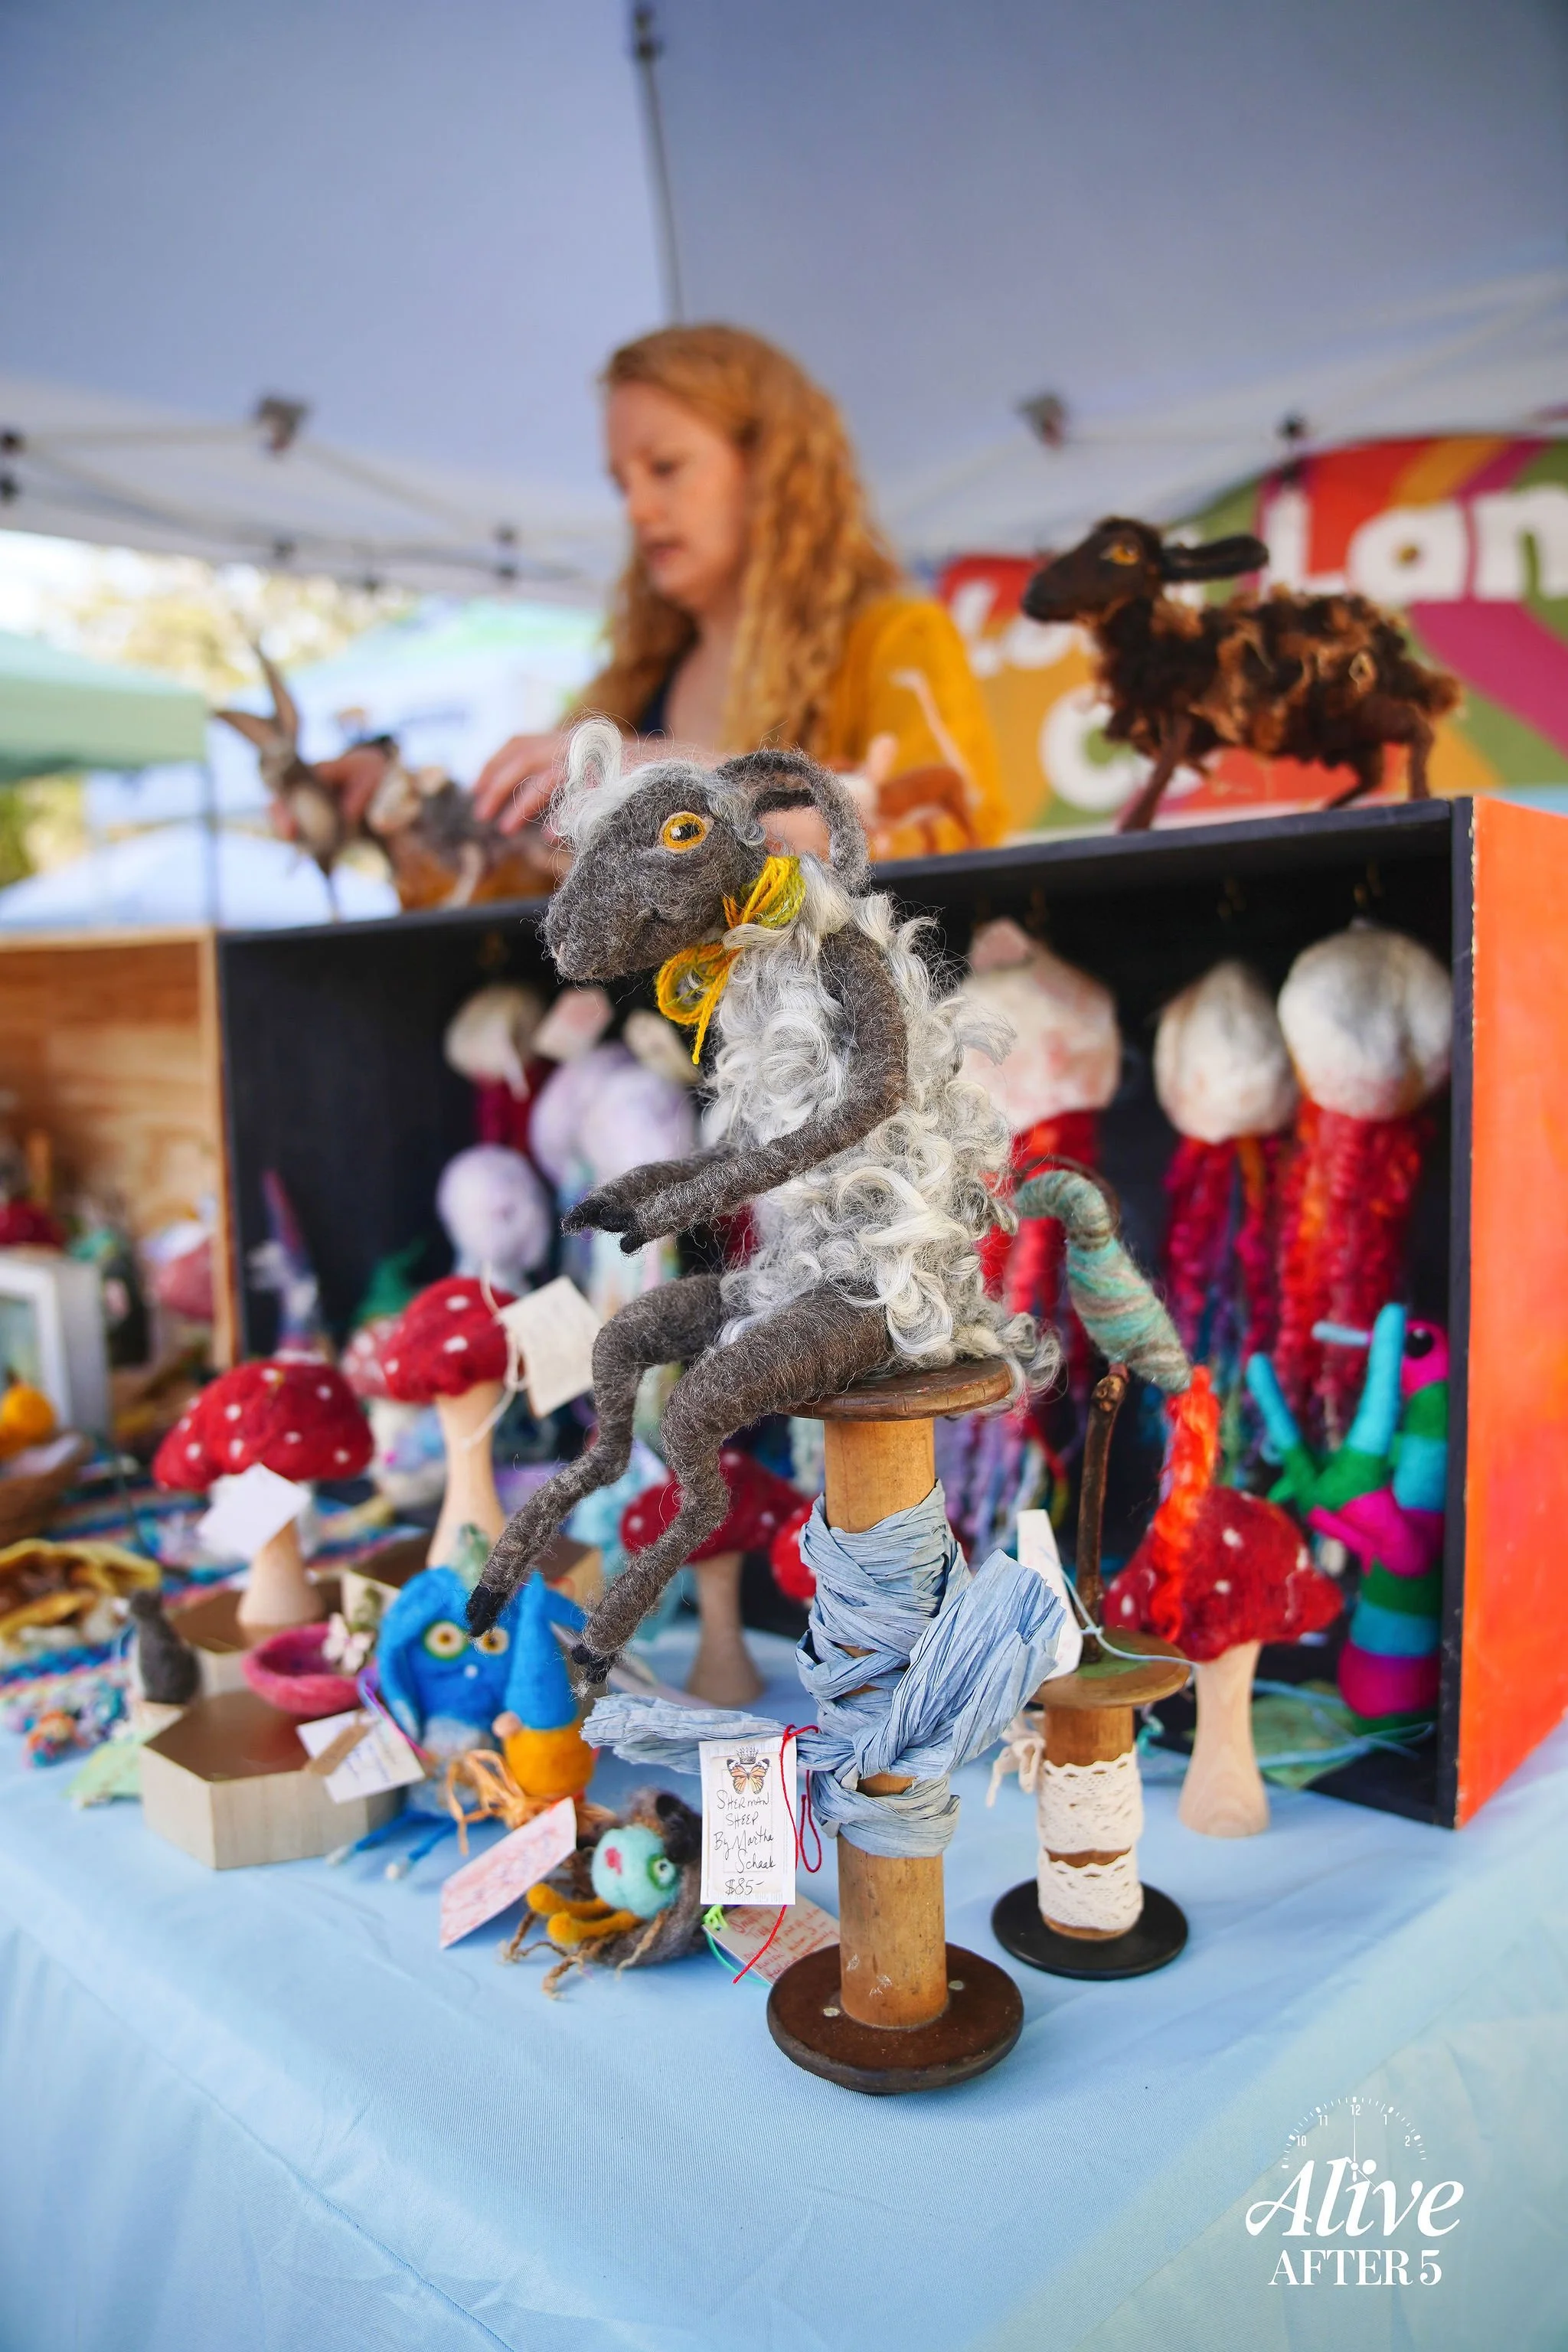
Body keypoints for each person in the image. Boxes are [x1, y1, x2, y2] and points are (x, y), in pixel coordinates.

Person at [471, 324, 1007, 861]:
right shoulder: (629, 692)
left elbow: (951, 843)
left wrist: (682, 776)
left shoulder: (895, 640)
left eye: (665, 468)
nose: (636, 509)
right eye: (622, 485)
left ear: (768, 467)